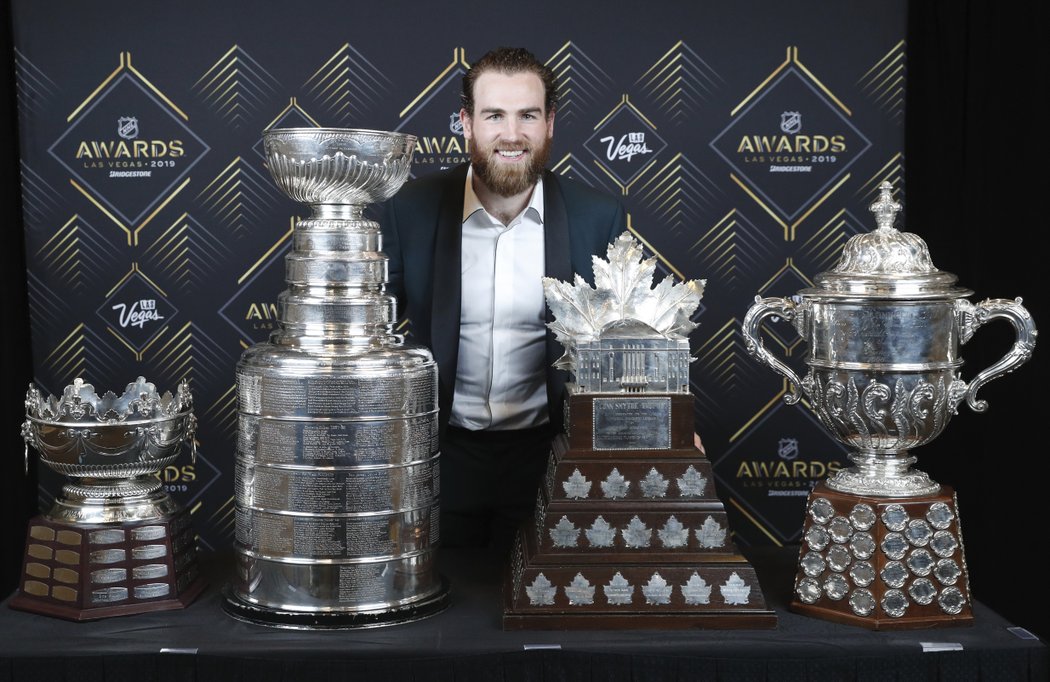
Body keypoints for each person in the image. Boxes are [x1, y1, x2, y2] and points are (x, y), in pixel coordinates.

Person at [380, 46, 626, 551]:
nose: (511, 135)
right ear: (466, 123)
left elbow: (623, 346)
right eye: (494, 115)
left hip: (549, 458)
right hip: (440, 457)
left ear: (549, 123)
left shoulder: (595, 216)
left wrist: (667, 421)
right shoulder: (411, 209)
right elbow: (373, 335)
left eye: (527, 116)